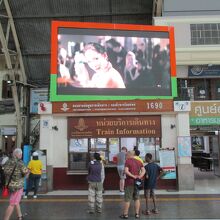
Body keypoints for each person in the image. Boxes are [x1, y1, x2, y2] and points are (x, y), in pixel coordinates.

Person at [3, 148, 29, 220]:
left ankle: (20, 216)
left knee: (16, 201)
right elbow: (26, 174)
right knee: (12, 204)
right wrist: (27, 174)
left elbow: (5, 171)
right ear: (19, 154)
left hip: (9, 185)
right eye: (21, 154)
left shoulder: (8, 161)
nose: (21, 156)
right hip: (17, 187)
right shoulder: (20, 163)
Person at [120, 151, 145, 219]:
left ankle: (125, 214)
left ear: (129, 155)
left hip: (129, 182)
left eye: (126, 155)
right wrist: (139, 177)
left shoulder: (127, 161)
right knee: (137, 198)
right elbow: (143, 170)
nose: (125, 156)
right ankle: (137, 214)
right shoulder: (139, 161)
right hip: (137, 183)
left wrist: (133, 176)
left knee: (127, 199)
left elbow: (126, 171)